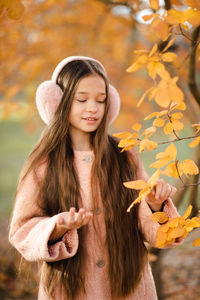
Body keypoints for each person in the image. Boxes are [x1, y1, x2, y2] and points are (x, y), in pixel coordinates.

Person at [9, 56, 181, 300]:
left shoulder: (125, 155)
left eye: (101, 100)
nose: (93, 108)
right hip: (69, 289)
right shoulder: (43, 163)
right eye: (82, 99)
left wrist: (154, 205)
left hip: (128, 285)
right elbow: (21, 230)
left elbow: (150, 229)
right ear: (58, 101)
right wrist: (59, 227)